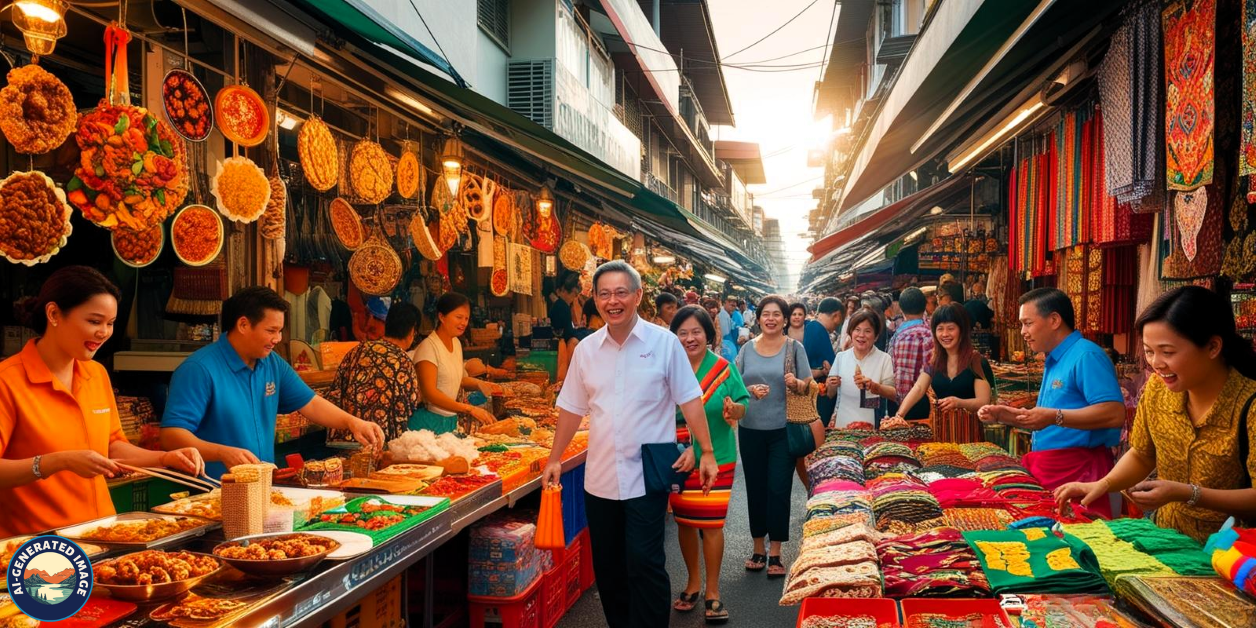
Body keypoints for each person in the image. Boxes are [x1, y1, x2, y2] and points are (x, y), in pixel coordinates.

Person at [542, 260, 718, 628]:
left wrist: (706, 452)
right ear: (595, 299)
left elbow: (689, 399)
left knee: (644, 562)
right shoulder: (586, 350)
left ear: (637, 296)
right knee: (609, 568)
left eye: (621, 292)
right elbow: (571, 407)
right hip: (601, 479)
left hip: (645, 478)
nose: (613, 301)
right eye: (604, 294)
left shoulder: (664, 344)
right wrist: (555, 458)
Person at [0, 267, 203, 536]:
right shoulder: (7, 381)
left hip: (102, 533)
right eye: (95, 321)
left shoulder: (96, 374)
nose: (104, 333)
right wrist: (56, 462)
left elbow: (112, 447)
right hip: (39, 545)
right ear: (54, 314)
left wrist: (165, 458)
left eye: (110, 323)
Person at [1055, 287, 1256, 541]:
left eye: (1167, 352)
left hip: (1232, 552)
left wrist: (1187, 493)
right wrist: (1102, 485)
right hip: (1167, 537)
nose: (1156, 364)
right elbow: (1142, 454)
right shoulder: (1157, 390)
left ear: (1213, 347)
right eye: (1149, 351)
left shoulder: (1249, 405)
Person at [163, 287, 383, 478]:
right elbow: (171, 435)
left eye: (279, 331)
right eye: (271, 331)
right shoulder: (199, 369)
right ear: (243, 325)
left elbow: (311, 403)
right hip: (211, 491)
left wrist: (352, 422)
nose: (277, 339)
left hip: (262, 487)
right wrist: (222, 453)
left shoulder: (271, 363)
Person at [978, 288, 1125, 517]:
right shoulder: (1055, 357)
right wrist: (1006, 415)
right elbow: (1052, 418)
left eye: (1028, 323)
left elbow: (1114, 413)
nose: (1023, 332)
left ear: (1054, 320)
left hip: (1080, 472)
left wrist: (1053, 416)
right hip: (1053, 469)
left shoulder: (1086, 355)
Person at [668, 306, 749, 622]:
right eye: (683, 333)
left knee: (712, 524)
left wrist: (735, 411)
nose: (690, 338)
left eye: (696, 332)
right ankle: (693, 582)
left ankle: (713, 590)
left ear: (708, 334)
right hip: (679, 457)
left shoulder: (725, 369)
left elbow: (742, 402)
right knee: (685, 521)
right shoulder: (668, 370)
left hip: (720, 456)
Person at [736, 295, 813, 578]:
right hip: (750, 429)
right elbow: (734, 383)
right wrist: (749, 391)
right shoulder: (747, 349)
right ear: (758, 319)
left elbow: (809, 384)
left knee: (779, 489)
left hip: (783, 429)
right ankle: (758, 547)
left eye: (776, 314)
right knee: (756, 488)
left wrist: (797, 383)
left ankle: (777, 552)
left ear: (785, 319)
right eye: (766, 314)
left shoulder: (794, 348)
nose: (771, 319)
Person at [326, 302, 423, 445]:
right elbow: (407, 406)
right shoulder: (403, 361)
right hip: (378, 442)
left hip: (344, 437)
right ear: (412, 331)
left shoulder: (357, 350)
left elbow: (335, 393)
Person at [410, 293, 503, 434]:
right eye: (459, 317)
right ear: (442, 317)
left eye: (466, 318)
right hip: (429, 424)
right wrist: (469, 409)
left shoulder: (456, 343)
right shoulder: (428, 348)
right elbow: (430, 393)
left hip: (450, 421)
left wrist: (481, 384)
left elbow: (457, 380)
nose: (464, 323)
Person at [893, 304, 994, 424]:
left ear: (962, 330)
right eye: (940, 329)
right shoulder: (935, 361)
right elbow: (918, 388)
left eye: (950, 328)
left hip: (970, 428)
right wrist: (899, 415)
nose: (945, 334)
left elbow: (983, 401)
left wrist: (959, 403)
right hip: (943, 429)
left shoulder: (976, 361)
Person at [827, 309, 897, 429]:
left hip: (872, 425)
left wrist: (874, 387)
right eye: (857, 330)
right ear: (850, 332)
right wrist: (832, 385)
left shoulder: (884, 359)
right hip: (843, 425)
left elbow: (893, 394)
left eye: (867, 331)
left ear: (876, 336)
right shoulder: (841, 357)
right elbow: (830, 394)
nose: (861, 335)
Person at [888, 287, 933, 422]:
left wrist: (900, 410)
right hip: (929, 402)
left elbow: (902, 378)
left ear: (901, 309)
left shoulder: (902, 336)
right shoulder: (931, 332)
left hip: (908, 404)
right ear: (924, 307)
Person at [803, 298, 842, 427]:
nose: (837, 325)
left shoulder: (815, 327)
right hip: (818, 391)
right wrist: (822, 371)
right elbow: (807, 363)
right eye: (839, 320)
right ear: (836, 315)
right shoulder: (817, 329)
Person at [550, 273, 582, 381]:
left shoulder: (560, 305)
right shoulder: (562, 306)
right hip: (562, 347)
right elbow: (568, 333)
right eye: (574, 294)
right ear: (564, 290)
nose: (574, 298)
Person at [720, 296, 742, 361]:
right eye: (731, 305)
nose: (733, 308)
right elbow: (725, 335)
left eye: (735, 306)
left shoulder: (727, 314)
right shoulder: (723, 314)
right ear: (725, 303)